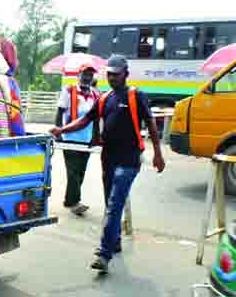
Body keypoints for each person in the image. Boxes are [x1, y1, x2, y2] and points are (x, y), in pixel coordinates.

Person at [50, 54, 166, 273]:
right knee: (110, 204)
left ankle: (104, 253)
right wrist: (61, 130)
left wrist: (158, 154)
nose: (112, 77)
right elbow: (85, 120)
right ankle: (116, 241)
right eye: (109, 74)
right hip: (109, 158)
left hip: (129, 159)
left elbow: (151, 124)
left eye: (116, 74)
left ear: (126, 74)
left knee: (113, 204)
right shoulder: (104, 98)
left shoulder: (136, 95)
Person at [55, 62, 99, 216]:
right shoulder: (69, 91)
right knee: (73, 172)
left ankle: (69, 200)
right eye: (84, 74)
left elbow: (96, 118)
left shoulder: (95, 94)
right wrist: (58, 132)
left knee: (80, 171)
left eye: (90, 75)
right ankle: (75, 202)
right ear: (78, 75)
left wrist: (96, 137)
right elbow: (60, 111)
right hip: (70, 137)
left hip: (87, 139)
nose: (87, 77)